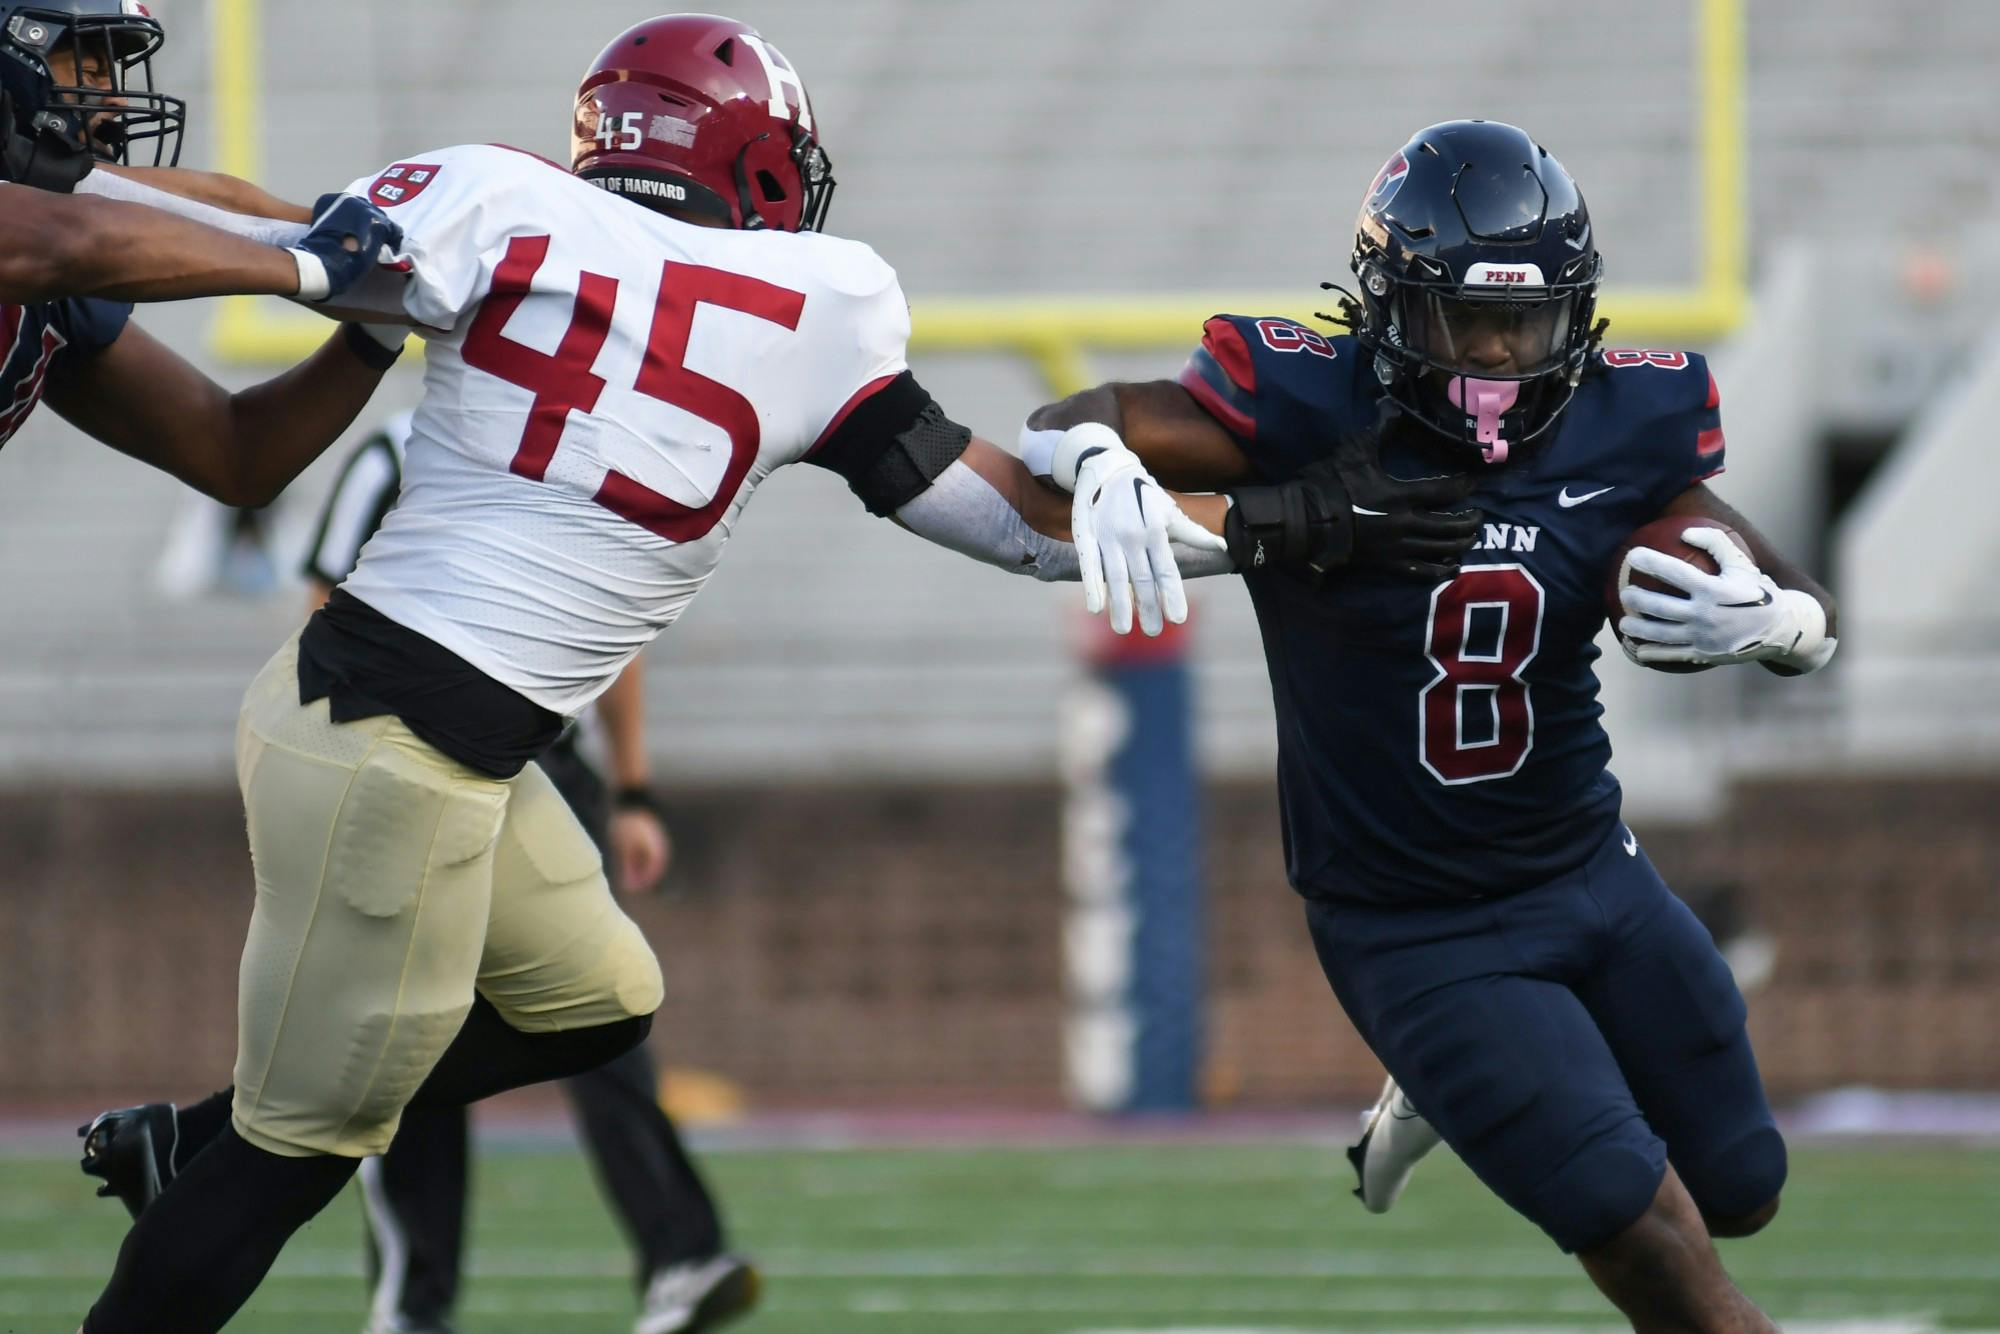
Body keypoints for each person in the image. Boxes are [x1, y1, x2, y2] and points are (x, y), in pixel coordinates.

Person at [73, 14, 1226, 1332]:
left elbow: (255, 223)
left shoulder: (505, 197)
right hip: (386, 745)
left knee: (597, 999)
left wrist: (77, 181)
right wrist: (1274, 535)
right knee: (294, 1155)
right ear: (755, 160)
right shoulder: (818, 300)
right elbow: (1019, 524)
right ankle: (213, 1162)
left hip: (433, 742)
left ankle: (191, 1136)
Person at [1022, 119, 1835, 1331]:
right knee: (1646, 1231)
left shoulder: (1625, 419)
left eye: (1524, 322)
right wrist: (1094, 456)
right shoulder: (1307, 402)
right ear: (1389, 307)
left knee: (1742, 1187)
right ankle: (1457, 1057)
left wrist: (1777, 620)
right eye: (1463, 321)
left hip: (1589, 868)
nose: (1497, 355)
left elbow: (1789, 590)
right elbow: (1066, 420)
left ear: (1576, 315)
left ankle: (1438, 1087)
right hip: (1415, 922)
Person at [305, 414, 753, 1334]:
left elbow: (615, 626)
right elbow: (324, 613)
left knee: (600, 1008)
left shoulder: (565, 447)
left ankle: (679, 1256)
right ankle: (414, 1302)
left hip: (545, 767)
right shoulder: (398, 449)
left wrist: (634, 790)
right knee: (416, 1023)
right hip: (423, 761)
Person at [0, 0, 407, 505]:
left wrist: (380, 321)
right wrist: (309, 265)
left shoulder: (56, 260)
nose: (117, 101)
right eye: (90, 69)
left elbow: (237, 455)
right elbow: (81, 236)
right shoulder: (57, 242)